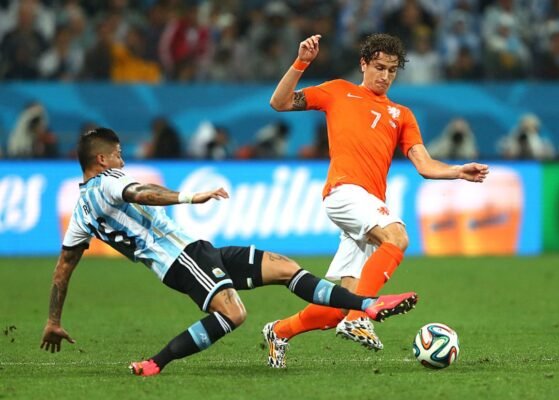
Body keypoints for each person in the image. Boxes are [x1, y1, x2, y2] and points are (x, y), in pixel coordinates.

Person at [39, 127, 419, 375]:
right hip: (180, 259)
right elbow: (141, 193)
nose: (122, 161)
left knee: (284, 267)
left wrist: (53, 320)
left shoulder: (80, 213)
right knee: (234, 313)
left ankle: (364, 305)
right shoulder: (109, 181)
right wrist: (190, 196)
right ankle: (156, 363)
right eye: (119, 155)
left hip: (197, 251)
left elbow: (63, 267)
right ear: (102, 160)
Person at [266, 33, 489, 368]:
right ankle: (360, 317)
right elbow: (280, 102)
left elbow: (425, 165)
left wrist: (457, 171)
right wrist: (302, 62)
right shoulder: (338, 91)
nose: (385, 76)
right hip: (344, 192)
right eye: (379, 67)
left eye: (392, 70)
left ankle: (279, 332)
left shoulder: (401, 115)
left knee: (340, 305)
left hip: (368, 202)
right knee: (397, 236)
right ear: (364, 64)